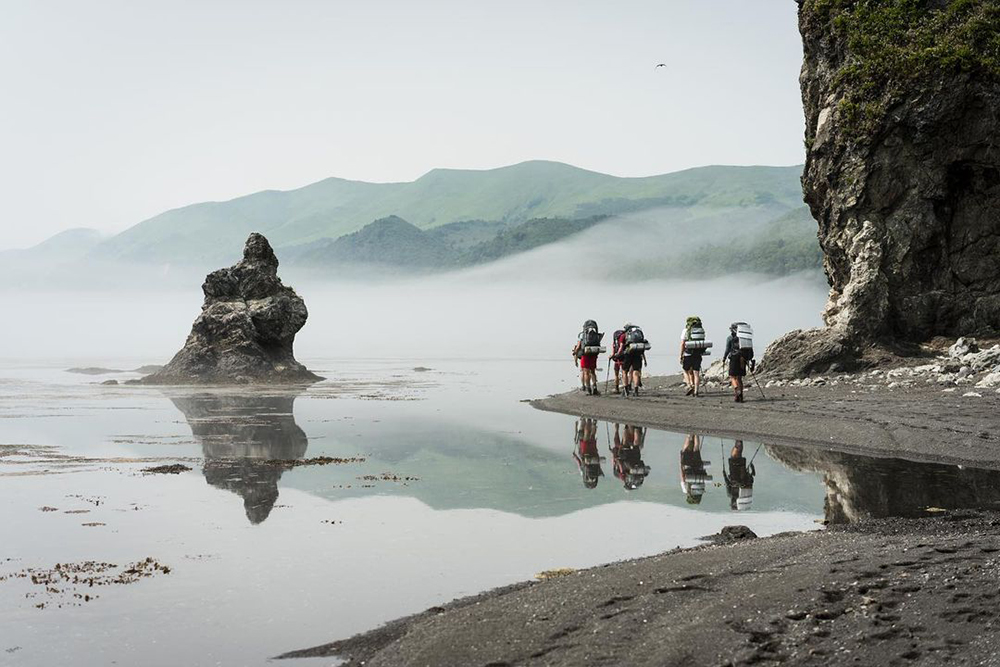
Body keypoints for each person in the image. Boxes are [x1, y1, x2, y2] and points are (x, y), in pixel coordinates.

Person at [611, 424, 650, 490]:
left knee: (626, 440)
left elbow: (619, 464)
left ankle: (628, 426)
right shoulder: (638, 477)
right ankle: (636, 427)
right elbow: (645, 469)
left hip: (626, 455)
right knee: (636, 442)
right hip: (634, 456)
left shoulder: (622, 476)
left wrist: (617, 458)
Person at [723, 439, 756, 511]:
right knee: (734, 455)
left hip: (742, 471)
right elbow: (727, 483)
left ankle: (739, 441)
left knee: (739, 454)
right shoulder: (730, 494)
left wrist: (751, 471)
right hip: (734, 471)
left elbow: (749, 482)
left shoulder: (742, 495)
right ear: (733, 503)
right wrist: (724, 474)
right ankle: (739, 441)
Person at [572, 319, 602, 395]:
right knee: (593, 372)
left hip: (585, 354)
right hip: (593, 354)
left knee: (586, 372)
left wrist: (575, 352)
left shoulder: (582, 335)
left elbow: (578, 346)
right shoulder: (595, 333)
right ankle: (595, 388)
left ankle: (588, 389)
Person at [679, 433, 711, 504]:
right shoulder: (685, 490)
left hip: (698, 467)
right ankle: (689, 435)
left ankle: (696, 433)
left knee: (696, 448)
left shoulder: (701, 491)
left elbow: (703, 478)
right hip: (688, 467)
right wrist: (680, 464)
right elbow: (682, 476)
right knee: (685, 450)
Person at [572, 418, 604, 488]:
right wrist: (575, 457)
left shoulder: (596, 474)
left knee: (592, 437)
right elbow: (579, 463)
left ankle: (593, 423)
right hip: (585, 453)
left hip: (594, 453)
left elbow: (599, 464)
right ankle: (589, 420)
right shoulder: (583, 473)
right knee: (586, 437)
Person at [679, 316, 706, 397]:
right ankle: (696, 391)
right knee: (696, 373)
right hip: (698, 354)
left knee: (685, 370)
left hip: (688, 354)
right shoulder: (701, 330)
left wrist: (681, 355)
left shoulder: (686, 330)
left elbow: (683, 343)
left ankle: (690, 385)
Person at [620, 322, 647, 398]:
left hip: (628, 354)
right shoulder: (639, 334)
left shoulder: (624, 335)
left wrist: (619, 354)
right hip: (638, 354)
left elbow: (621, 347)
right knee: (636, 371)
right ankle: (636, 390)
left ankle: (626, 390)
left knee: (624, 371)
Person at [723, 323, 746, 402]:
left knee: (732, 376)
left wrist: (724, 358)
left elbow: (727, 349)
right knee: (739, 378)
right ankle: (741, 395)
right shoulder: (744, 338)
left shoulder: (729, 338)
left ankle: (737, 391)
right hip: (742, 358)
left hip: (733, 358)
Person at [610, 327, 626, 395]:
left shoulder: (615, 341)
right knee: (624, 373)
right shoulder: (624, 338)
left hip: (617, 358)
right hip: (623, 357)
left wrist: (613, 355)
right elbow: (622, 347)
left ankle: (617, 388)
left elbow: (614, 350)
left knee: (616, 374)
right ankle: (625, 388)